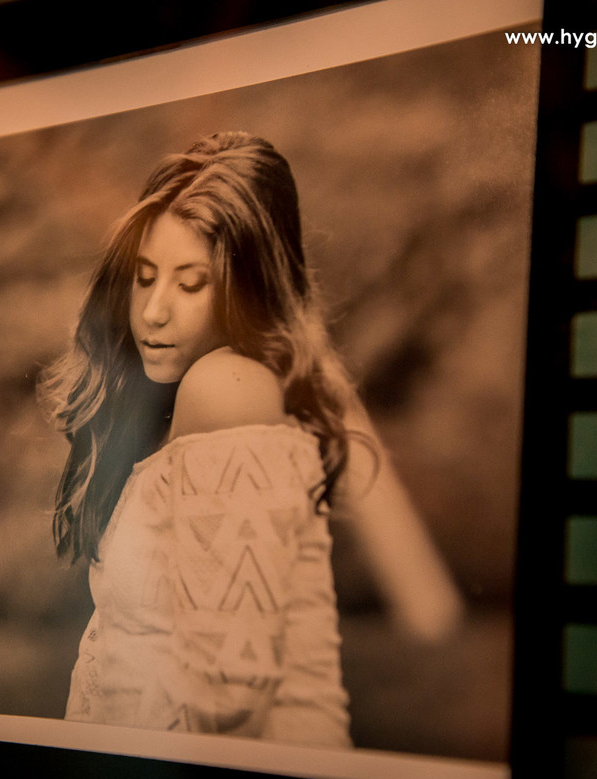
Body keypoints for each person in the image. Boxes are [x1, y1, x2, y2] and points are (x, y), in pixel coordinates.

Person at [39, 132, 461, 748]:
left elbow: (227, 704)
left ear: (250, 289)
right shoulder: (193, 401)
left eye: (191, 285)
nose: (153, 311)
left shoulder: (225, 388)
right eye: (145, 277)